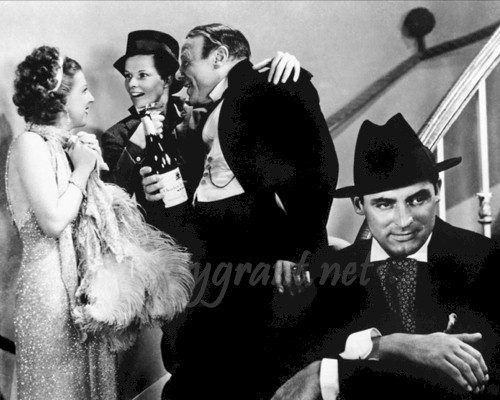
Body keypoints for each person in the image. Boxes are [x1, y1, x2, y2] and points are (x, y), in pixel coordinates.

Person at [142, 23, 338, 399]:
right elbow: (206, 190)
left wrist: (298, 251)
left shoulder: (273, 83)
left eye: (187, 60)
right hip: (215, 265)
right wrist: (157, 192)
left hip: (258, 269)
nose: (180, 74)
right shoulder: (205, 110)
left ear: (219, 56)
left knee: (256, 375)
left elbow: (319, 168)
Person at [6, 45, 192, 400]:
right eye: (83, 90)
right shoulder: (29, 143)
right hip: (49, 293)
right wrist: (83, 169)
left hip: (84, 287)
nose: (91, 97)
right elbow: (53, 221)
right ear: (60, 99)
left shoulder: (68, 145)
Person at [271, 113, 500, 399]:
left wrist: (334, 371)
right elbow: (294, 382)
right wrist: (394, 345)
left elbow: (478, 381)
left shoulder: (486, 260)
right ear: (359, 204)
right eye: (384, 204)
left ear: (437, 191)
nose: (404, 221)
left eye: (417, 199)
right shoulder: (329, 274)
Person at [101, 29, 302, 258]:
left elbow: (247, 98)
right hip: (169, 253)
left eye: (142, 75)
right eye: (128, 76)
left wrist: (285, 64)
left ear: (167, 79)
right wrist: (136, 145)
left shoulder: (202, 113)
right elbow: (108, 203)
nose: (131, 84)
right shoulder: (117, 135)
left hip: (224, 242)